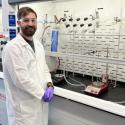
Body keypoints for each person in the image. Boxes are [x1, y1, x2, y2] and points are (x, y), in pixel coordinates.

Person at [2, 7, 54, 125]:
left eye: (33, 20)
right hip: (23, 111)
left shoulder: (38, 45)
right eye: (26, 20)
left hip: (39, 107)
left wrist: (49, 84)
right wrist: (42, 94)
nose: (30, 24)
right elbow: (21, 79)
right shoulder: (12, 48)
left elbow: (44, 68)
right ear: (19, 23)